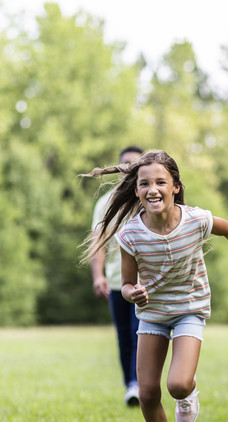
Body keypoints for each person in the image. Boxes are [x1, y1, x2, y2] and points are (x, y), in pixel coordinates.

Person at [82, 150, 228, 422]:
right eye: (144, 183)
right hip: (153, 314)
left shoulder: (194, 219)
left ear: (175, 186)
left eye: (160, 182)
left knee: (177, 384)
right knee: (147, 392)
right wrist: (131, 293)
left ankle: (188, 392)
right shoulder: (130, 235)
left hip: (190, 307)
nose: (153, 189)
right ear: (136, 191)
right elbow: (124, 284)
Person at [90, 146, 143, 406]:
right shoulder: (106, 202)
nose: (129, 167)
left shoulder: (148, 197)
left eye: (135, 163)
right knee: (124, 336)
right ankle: (131, 385)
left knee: (141, 334)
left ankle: (140, 384)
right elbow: (97, 241)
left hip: (146, 284)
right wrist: (97, 275)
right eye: (125, 163)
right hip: (115, 282)